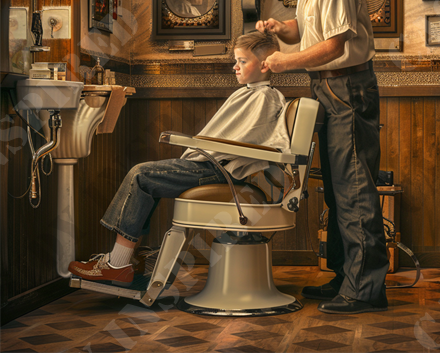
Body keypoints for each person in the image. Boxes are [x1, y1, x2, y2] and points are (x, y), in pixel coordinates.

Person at [68, 31, 290, 286]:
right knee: (146, 179)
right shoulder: (252, 93)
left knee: (141, 175)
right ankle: (129, 260)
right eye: (236, 60)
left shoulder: (265, 97)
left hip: (217, 169)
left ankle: (116, 264)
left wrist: (198, 145)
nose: (234, 66)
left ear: (265, 64)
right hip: (213, 164)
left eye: (242, 61)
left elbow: (258, 141)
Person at [255, 0, 389, 314]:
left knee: (353, 188)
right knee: (335, 187)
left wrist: (285, 62)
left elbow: (332, 46)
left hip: (346, 86)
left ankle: (365, 289)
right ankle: (347, 276)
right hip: (329, 87)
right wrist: (282, 28)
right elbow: (309, 29)